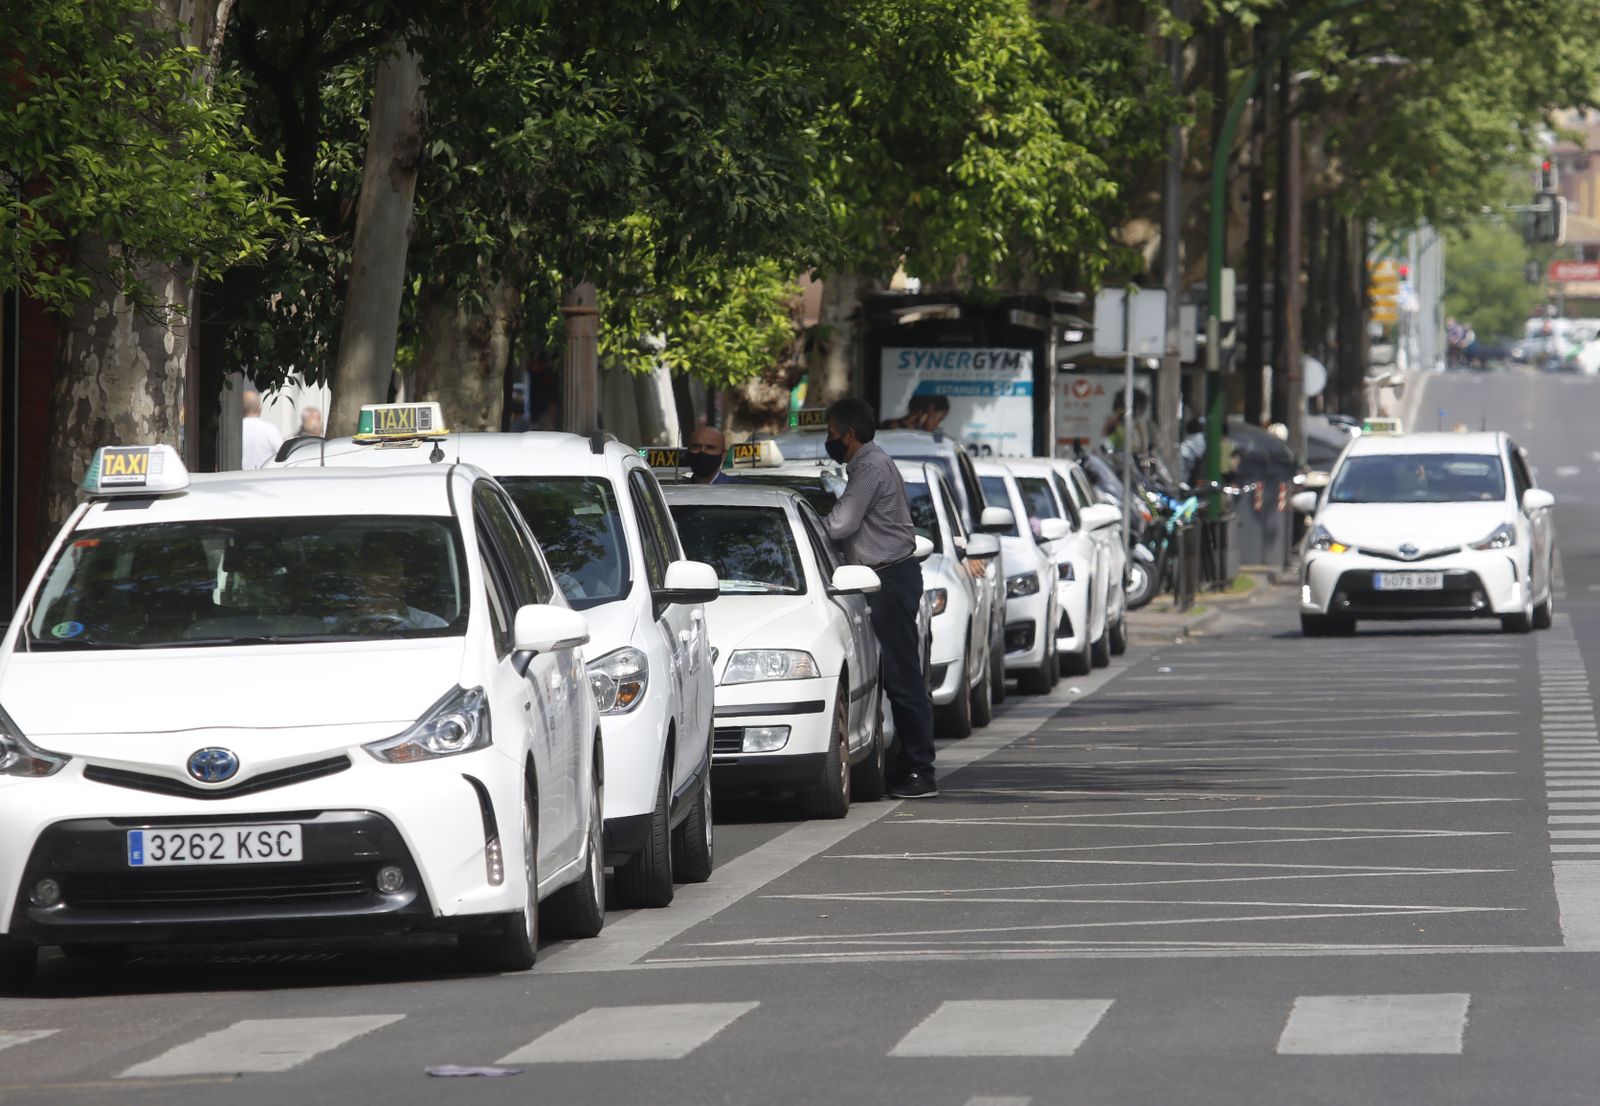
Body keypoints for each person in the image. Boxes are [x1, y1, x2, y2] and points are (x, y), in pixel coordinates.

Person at [821, 397, 937, 799]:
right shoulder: (869, 463)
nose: (829, 440)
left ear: (850, 434)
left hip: (890, 580)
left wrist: (808, 522)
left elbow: (840, 525)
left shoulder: (869, 467)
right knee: (895, 678)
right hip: (887, 578)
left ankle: (921, 770)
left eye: (832, 434)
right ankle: (908, 764)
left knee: (903, 679)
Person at [241, 389, 283, 470]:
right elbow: (281, 456)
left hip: (236, 477)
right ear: (259, 409)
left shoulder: (235, 431)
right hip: (264, 478)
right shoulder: (270, 430)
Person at [881, 394, 950, 432]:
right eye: (939, 419)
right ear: (930, 410)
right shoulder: (889, 427)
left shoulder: (933, 435)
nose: (937, 425)